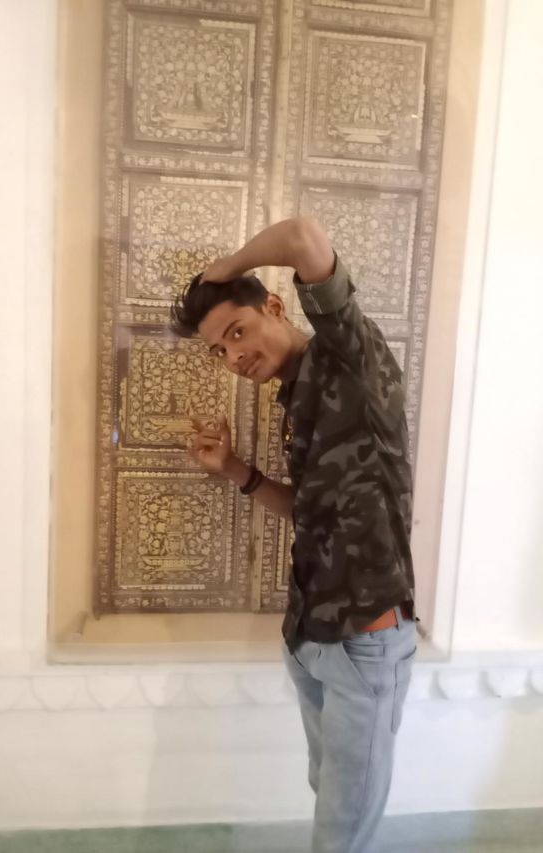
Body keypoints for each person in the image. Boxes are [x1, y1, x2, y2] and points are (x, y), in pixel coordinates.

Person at [170, 215, 418, 853]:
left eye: (236, 331)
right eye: (219, 350)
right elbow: (312, 511)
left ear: (275, 307)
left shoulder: (349, 358)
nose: (233, 357)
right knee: (329, 799)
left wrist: (224, 269)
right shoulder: (295, 396)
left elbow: (303, 237)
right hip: (312, 636)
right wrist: (236, 472)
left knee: (342, 829)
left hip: (365, 635)